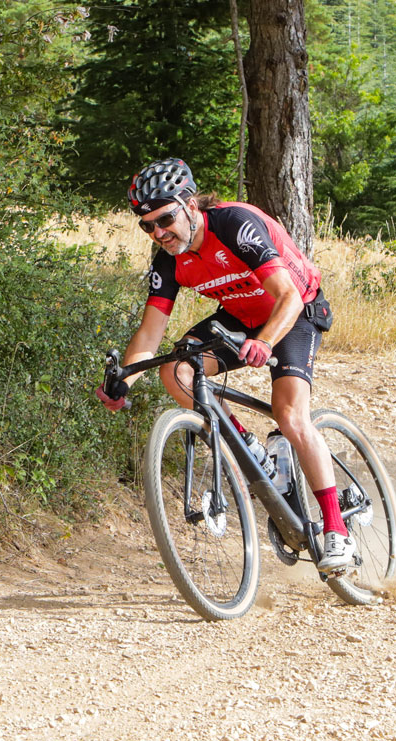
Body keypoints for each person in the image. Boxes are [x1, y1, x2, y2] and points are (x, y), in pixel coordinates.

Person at [96, 158, 352, 572]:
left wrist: (264, 341)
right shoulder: (168, 258)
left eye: (165, 219)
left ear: (190, 204)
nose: (159, 233)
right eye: (147, 225)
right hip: (240, 316)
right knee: (177, 370)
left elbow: (287, 296)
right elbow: (150, 334)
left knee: (290, 414)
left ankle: (336, 530)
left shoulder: (235, 224)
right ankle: (250, 444)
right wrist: (124, 380)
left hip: (296, 309)